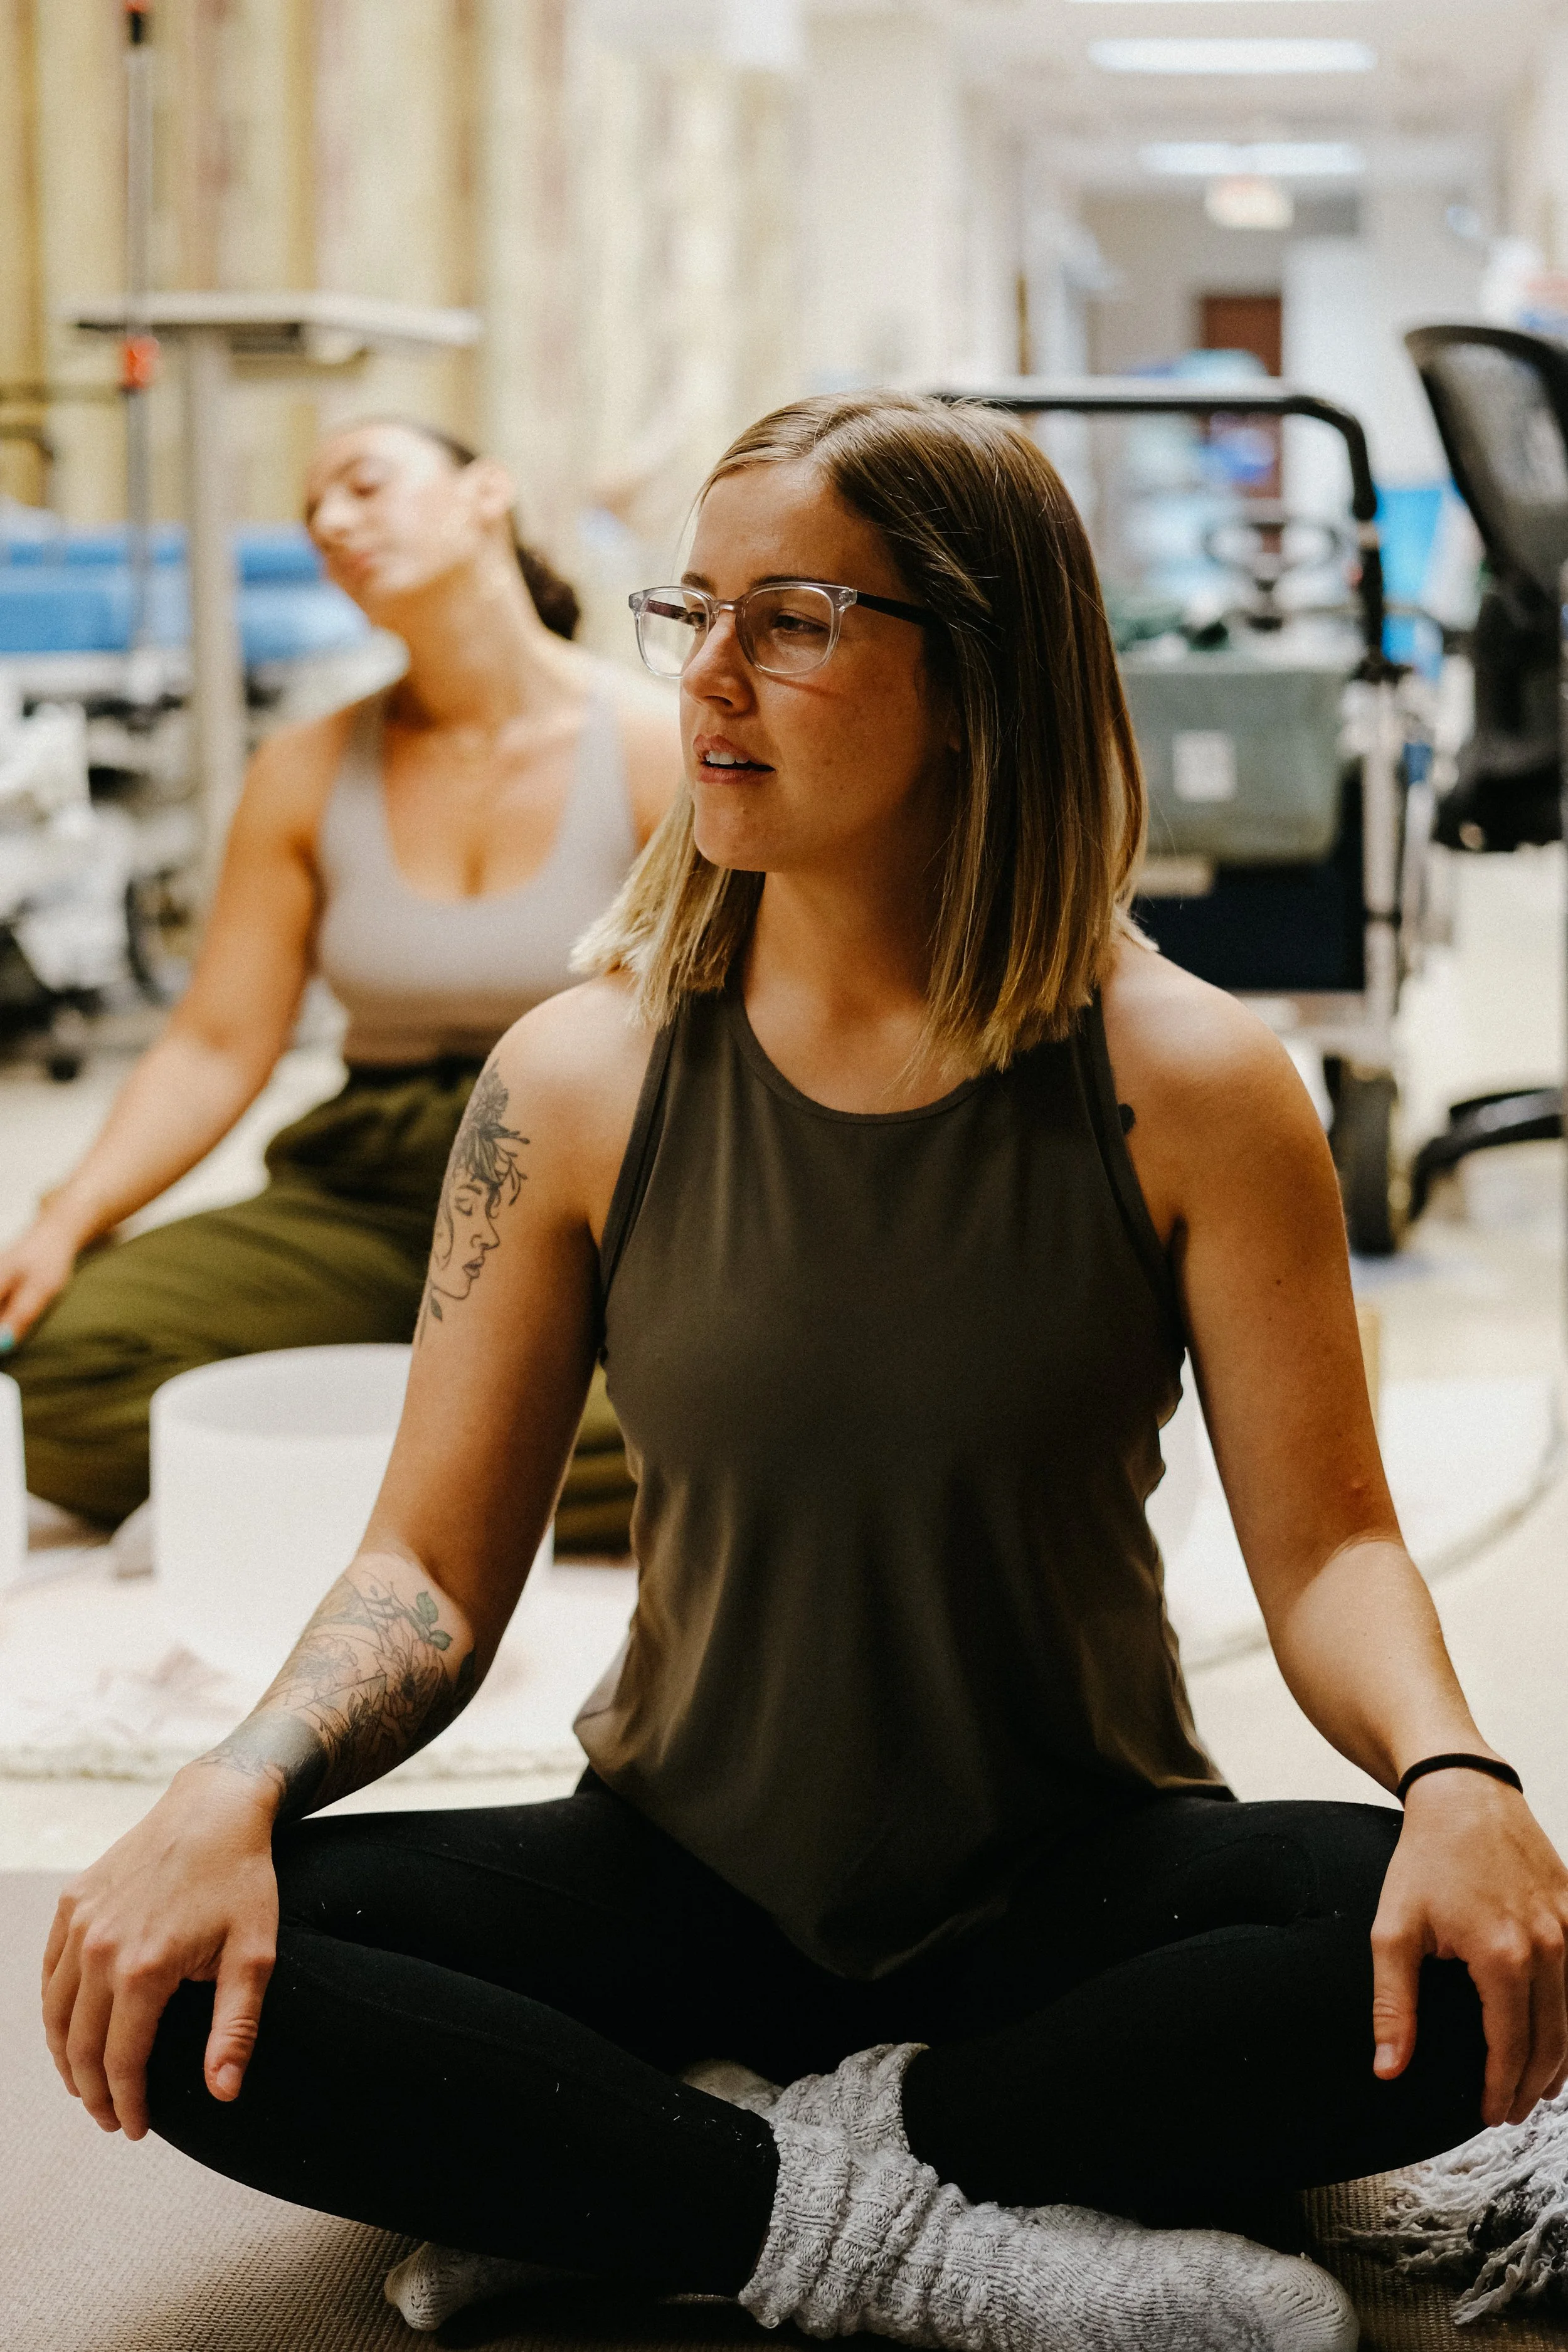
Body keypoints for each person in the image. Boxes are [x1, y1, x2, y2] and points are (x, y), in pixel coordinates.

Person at [41, 392, 1568, 2352]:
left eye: (794, 622)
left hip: (1072, 1880)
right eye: (696, 612)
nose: (708, 677)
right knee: (178, 1965)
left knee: (1454, 1951)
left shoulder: (1192, 1079)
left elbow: (1334, 1548)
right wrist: (230, 1779)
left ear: (979, 674)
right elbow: (425, 1567)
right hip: (672, 1875)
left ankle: (642, 2181)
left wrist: (1456, 1773)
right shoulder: (574, 1077)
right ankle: (913, 2225)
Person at [1, 418, 681, 1550]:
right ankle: (457, 1475)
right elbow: (217, 1042)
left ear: (486, 494)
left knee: (753, 1404)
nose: (330, 521)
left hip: (599, 1192)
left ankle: (316, 1481)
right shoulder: (304, 768)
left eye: (364, 484)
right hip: (371, 1182)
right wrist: (67, 1216)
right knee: (57, 1371)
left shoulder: (662, 745)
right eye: (313, 510)